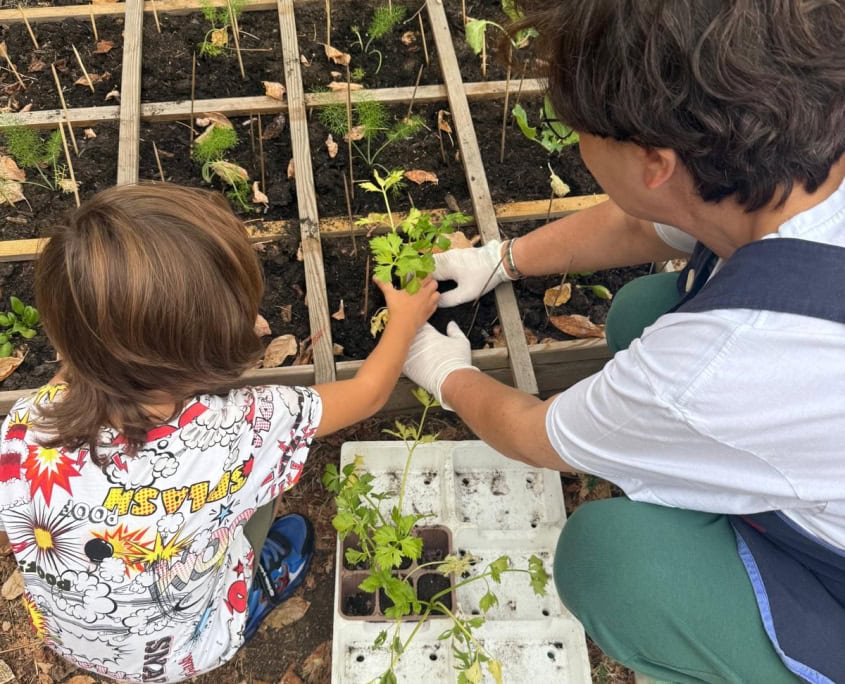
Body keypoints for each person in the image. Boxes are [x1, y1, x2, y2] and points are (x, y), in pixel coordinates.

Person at [403, 1, 845, 682]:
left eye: (580, 132)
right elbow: (651, 225)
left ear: (653, 162)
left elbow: (533, 434)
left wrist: (441, 368)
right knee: (642, 310)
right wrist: (503, 260)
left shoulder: (722, 363)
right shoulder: (793, 160)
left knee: (613, 559)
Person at [0, 184, 438, 682]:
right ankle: (255, 590)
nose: (258, 322)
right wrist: (405, 320)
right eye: (239, 322)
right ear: (198, 363)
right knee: (262, 482)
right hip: (183, 649)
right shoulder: (244, 429)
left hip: (72, 636)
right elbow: (369, 394)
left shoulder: (25, 430)